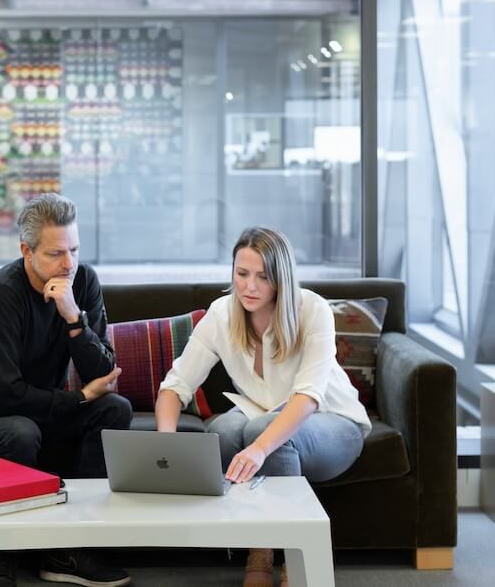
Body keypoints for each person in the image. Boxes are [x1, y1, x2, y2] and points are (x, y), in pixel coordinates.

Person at [0, 193, 132, 587]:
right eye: (56, 253)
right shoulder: (0, 294)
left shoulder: (83, 281)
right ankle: (2, 557)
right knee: (20, 430)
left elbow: (105, 374)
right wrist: (78, 398)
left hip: (34, 411)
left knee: (115, 410)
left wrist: (74, 318)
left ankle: (69, 549)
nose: (68, 263)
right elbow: (4, 397)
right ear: (26, 250)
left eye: (73, 249)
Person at [154, 227, 371, 587]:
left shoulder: (312, 310)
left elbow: (308, 396)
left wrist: (259, 448)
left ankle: (291, 554)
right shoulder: (222, 314)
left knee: (259, 432)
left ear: (281, 279)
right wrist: (166, 445)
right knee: (220, 432)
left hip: (332, 420)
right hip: (260, 411)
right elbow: (174, 387)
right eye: (242, 275)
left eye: (262, 277)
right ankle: (259, 545)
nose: (249, 287)